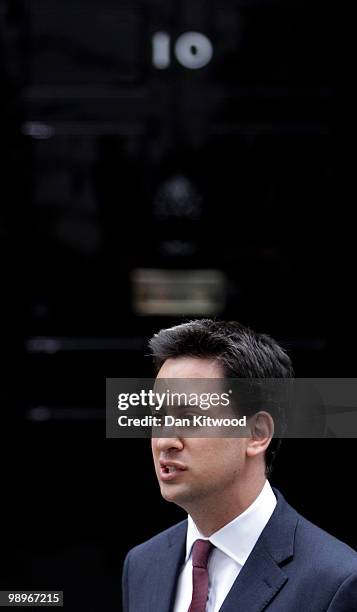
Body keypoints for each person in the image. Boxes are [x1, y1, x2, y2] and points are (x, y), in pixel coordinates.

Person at [122, 319, 357, 611]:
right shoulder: (142, 565)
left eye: (191, 417)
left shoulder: (336, 581)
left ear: (256, 434)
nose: (164, 441)